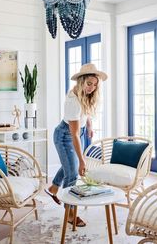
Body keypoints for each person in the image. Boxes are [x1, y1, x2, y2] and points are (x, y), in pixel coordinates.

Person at [45, 63, 108, 227]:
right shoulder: (73, 101)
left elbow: (85, 113)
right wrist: (82, 160)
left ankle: (53, 188)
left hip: (74, 133)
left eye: (95, 85)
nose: (92, 88)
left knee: (69, 166)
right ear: (81, 81)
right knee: (72, 173)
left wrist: (89, 125)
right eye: (89, 84)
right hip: (65, 135)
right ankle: (70, 214)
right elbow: (73, 134)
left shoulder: (84, 95)